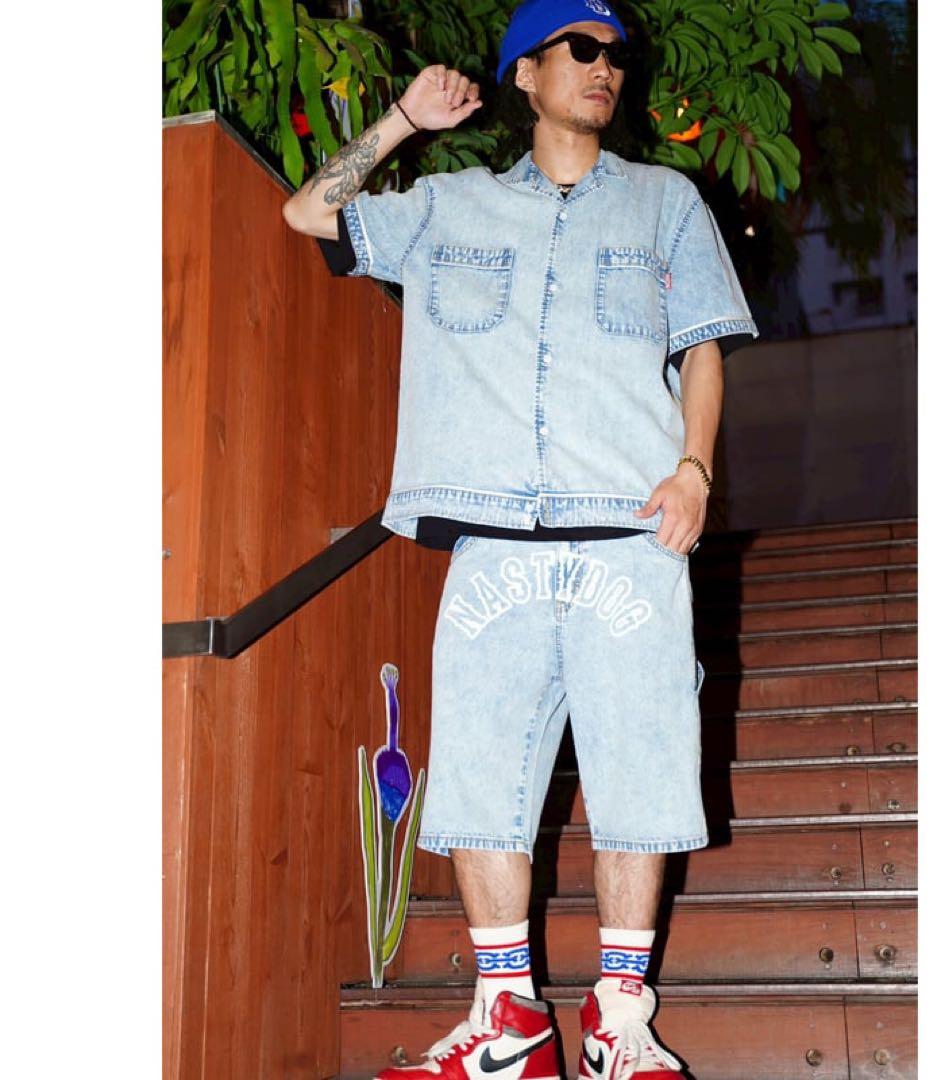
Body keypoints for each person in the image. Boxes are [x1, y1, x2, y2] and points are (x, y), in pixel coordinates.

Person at [283, 2, 758, 1076]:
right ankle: (509, 1017)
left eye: (615, 55)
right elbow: (308, 212)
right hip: (494, 538)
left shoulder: (666, 201)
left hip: (631, 535)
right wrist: (405, 121)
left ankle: (619, 1021)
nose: (604, 68)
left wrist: (694, 469)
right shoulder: (449, 207)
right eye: (580, 51)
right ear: (526, 74)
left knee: (640, 777)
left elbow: (703, 349)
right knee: (482, 782)